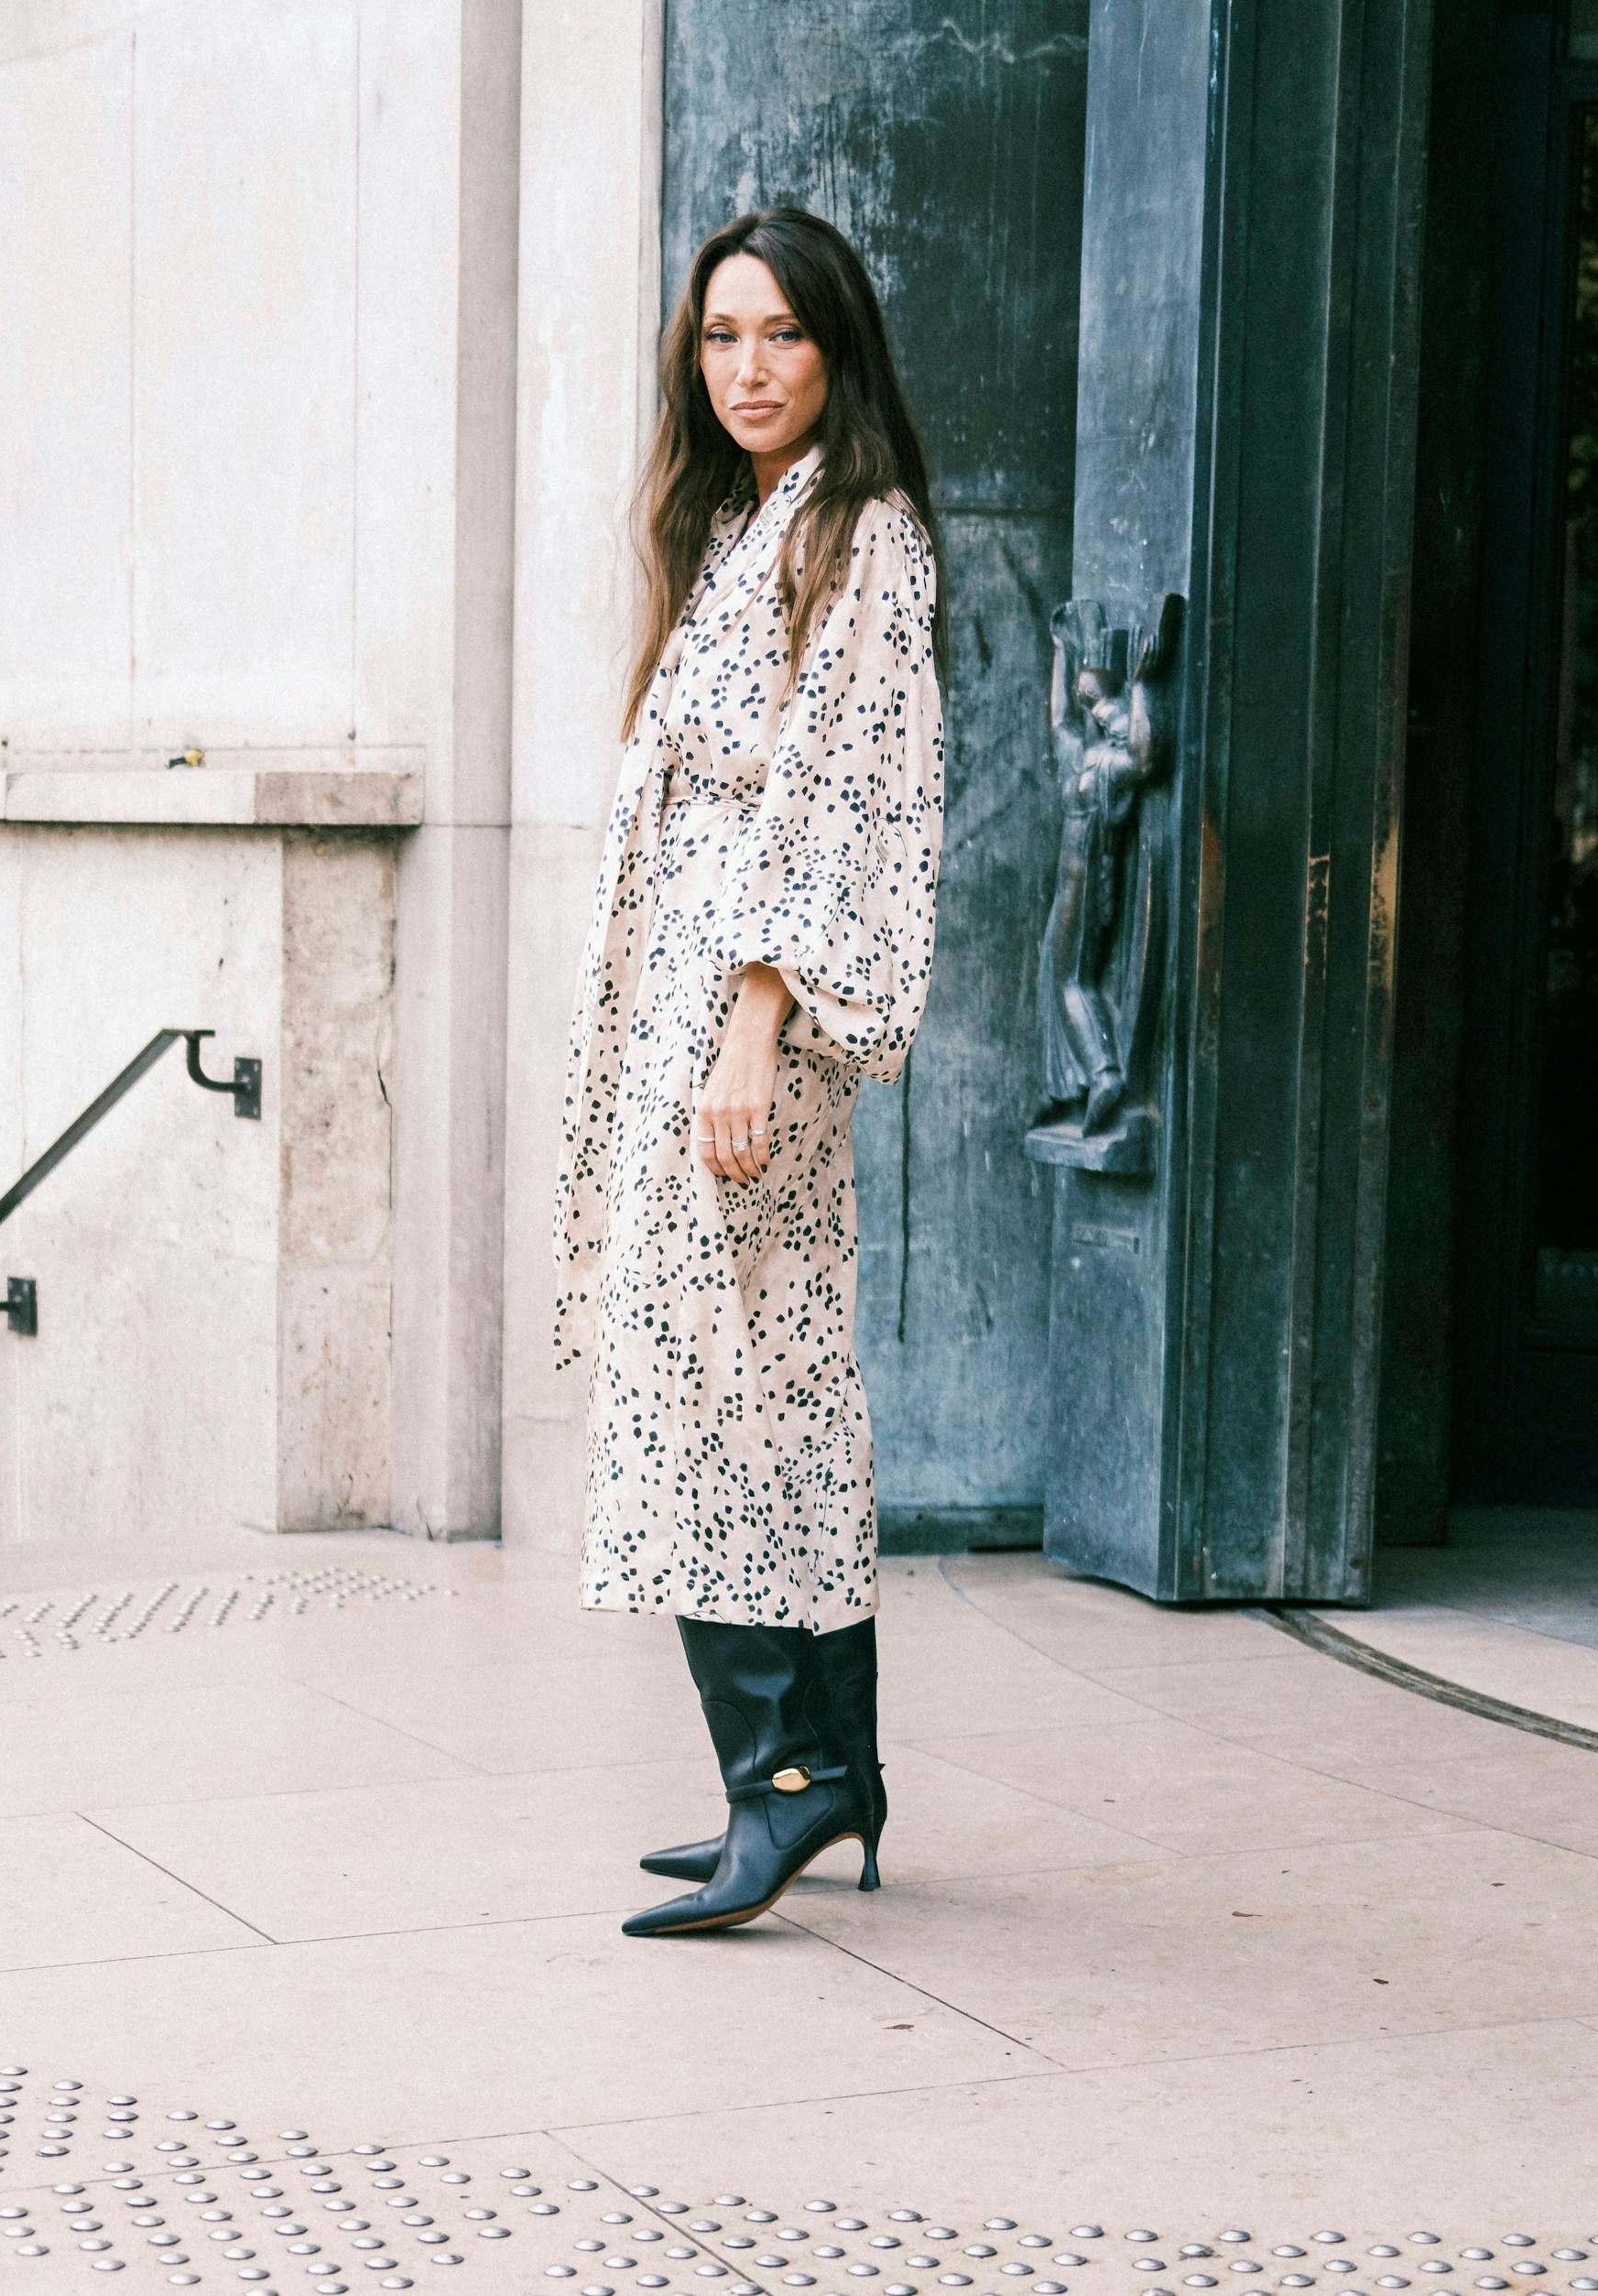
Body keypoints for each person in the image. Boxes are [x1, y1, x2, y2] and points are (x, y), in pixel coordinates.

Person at [553, 206, 945, 1938]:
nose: (749, 367)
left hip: (745, 1021)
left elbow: (842, 796)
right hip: (693, 1004)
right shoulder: (738, 523)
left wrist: (749, 1025)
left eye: (782, 332)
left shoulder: (862, 533)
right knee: (765, 1372)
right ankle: (828, 1767)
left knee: (709, 1378)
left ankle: (777, 1778)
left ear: (836, 347)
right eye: (721, 334)